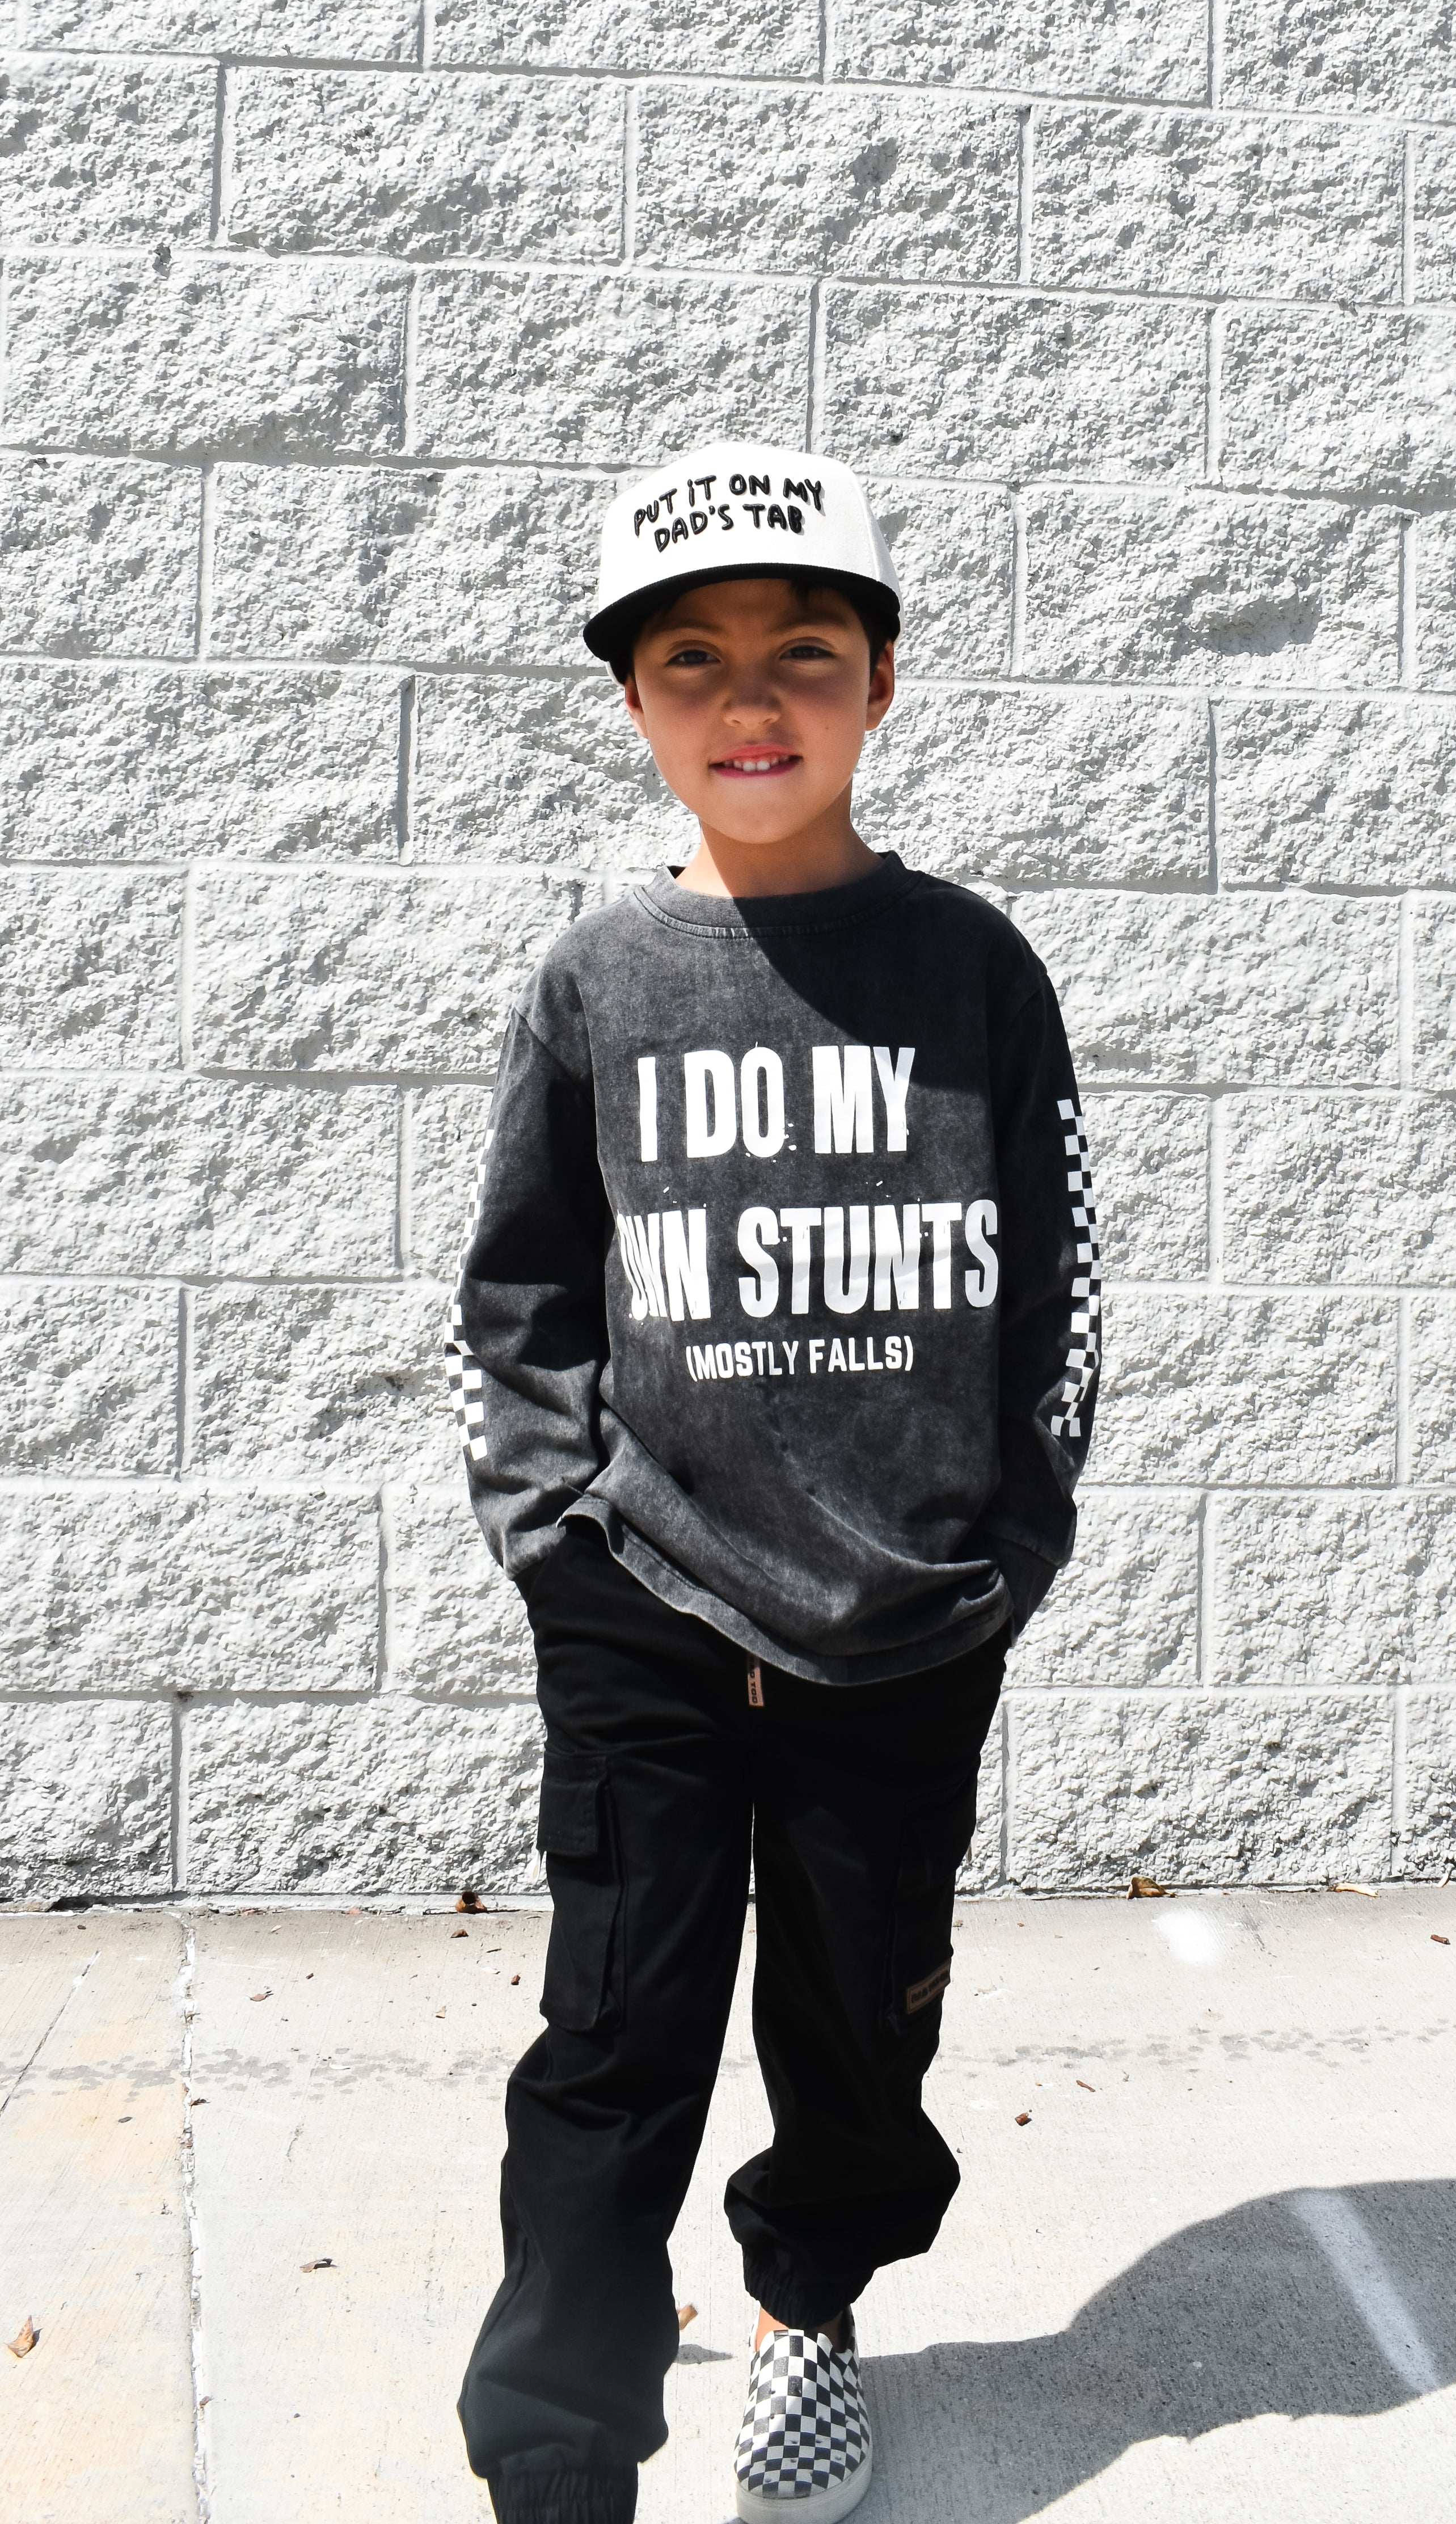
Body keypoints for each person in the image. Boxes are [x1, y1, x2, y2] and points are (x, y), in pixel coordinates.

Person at [449, 441, 1100, 2524]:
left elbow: (1058, 1280)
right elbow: (525, 1281)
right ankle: (561, 2428)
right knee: (614, 2034)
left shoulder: (973, 967)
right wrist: (558, 1534)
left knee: (856, 2012)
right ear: (635, 703)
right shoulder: (601, 977)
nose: (753, 699)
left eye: (803, 654)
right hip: (646, 1594)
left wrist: (1009, 1540)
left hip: (905, 1613)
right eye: (696, 659)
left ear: (880, 684)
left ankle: (808, 2315)